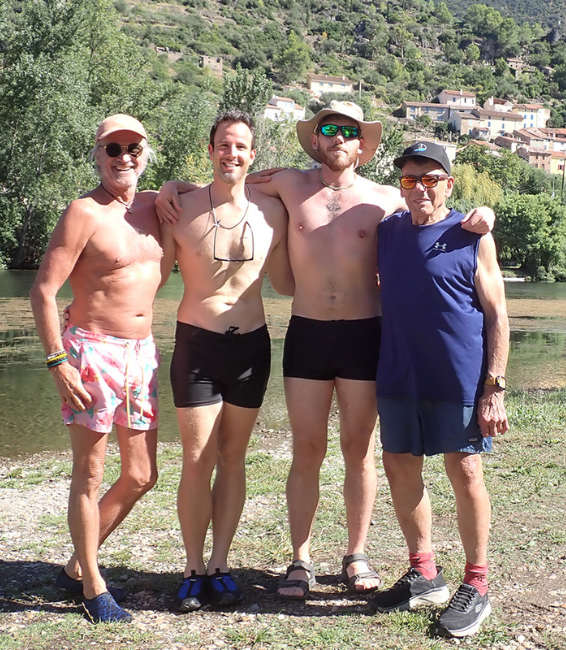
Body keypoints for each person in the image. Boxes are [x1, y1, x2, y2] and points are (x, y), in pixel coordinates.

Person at [156, 101, 493, 600]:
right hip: (307, 332)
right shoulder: (287, 184)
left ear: (362, 145)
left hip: (365, 333)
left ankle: (357, 553)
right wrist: (170, 187)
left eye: (349, 131)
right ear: (315, 139)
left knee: (359, 450)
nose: (339, 137)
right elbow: (227, 180)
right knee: (307, 449)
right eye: (329, 128)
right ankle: (301, 558)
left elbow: (436, 213)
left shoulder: (386, 198)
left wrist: (483, 215)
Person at [370, 141, 509, 639]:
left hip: (459, 377)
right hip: (399, 373)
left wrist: (494, 386)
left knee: (465, 470)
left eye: (431, 179)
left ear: (449, 184)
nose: (420, 188)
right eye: (410, 179)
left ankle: (477, 583)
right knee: (399, 465)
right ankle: (424, 572)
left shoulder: (472, 235)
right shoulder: (387, 231)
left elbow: (497, 315)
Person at [30, 114, 163, 623]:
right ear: (97, 155)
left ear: (145, 153)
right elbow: (44, 291)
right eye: (113, 149)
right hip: (91, 351)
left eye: (133, 148)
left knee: (141, 474)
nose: (123, 157)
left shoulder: (157, 206)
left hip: (141, 354)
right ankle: (92, 584)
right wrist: (57, 361)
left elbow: (223, 185)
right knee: (89, 473)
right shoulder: (83, 212)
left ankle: (73, 568)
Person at [159, 109, 292, 612]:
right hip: (197, 344)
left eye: (240, 146)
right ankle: (193, 567)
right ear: (210, 149)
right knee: (198, 458)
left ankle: (219, 563)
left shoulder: (273, 213)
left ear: (252, 154)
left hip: (251, 347)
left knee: (233, 457)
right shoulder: (179, 207)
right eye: (223, 144)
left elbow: (290, 280)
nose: (231, 153)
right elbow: (143, 270)